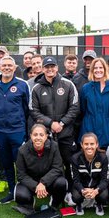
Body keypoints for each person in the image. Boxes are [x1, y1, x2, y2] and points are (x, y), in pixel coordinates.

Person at [28, 56, 81, 190]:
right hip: (47, 135)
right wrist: (51, 123)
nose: (50, 69)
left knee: (69, 163)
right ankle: (51, 189)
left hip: (66, 133)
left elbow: (74, 107)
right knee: (49, 165)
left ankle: (70, 190)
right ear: (43, 69)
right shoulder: (37, 88)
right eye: (47, 67)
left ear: (57, 68)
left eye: (52, 66)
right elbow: (33, 110)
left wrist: (62, 123)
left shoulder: (68, 84)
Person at [0, 54, 29, 205]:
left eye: (9, 66)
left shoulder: (22, 84)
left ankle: (23, 192)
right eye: (4, 65)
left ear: (14, 68)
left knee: (20, 163)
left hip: (17, 130)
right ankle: (12, 191)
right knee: (6, 163)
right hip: (0, 131)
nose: (6, 68)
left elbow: (26, 108)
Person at [13, 122, 68, 215]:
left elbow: (58, 168)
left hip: (49, 181)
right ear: (30, 136)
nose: (38, 137)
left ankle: (54, 204)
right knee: (20, 194)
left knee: (62, 183)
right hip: (32, 182)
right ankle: (30, 204)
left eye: (41, 135)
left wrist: (43, 182)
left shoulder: (54, 146)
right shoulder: (22, 150)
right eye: (35, 135)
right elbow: (21, 175)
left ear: (46, 136)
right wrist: (37, 186)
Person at [80, 57, 109, 150]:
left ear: (105, 69)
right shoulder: (86, 88)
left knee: (107, 158)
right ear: (92, 70)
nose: (98, 70)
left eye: (100, 67)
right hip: (90, 126)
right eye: (95, 68)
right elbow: (82, 108)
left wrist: (108, 122)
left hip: (108, 128)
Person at [68, 133, 109, 215]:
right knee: (76, 197)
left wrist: (96, 190)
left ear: (97, 145)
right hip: (82, 187)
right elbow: (75, 180)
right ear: (81, 145)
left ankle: (99, 204)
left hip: (96, 187)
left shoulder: (103, 158)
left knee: (104, 195)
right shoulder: (75, 158)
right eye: (86, 144)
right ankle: (79, 205)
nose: (89, 147)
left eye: (92, 144)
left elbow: (104, 180)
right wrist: (83, 190)